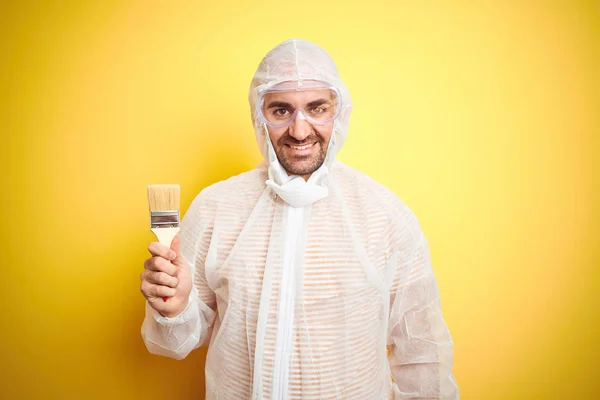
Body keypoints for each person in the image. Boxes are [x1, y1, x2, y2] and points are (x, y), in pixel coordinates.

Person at [140, 38, 459, 399]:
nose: (300, 130)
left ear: (339, 111)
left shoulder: (386, 216)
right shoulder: (216, 208)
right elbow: (174, 344)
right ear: (259, 115)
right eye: (281, 110)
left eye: (317, 108)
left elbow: (422, 357)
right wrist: (177, 308)